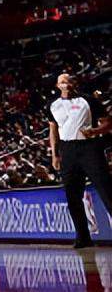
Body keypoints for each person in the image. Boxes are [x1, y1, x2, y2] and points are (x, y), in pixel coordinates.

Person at [48, 72, 112, 249]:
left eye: (69, 81)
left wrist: (95, 131)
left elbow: (108, 123)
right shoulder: (53, 105)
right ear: (57, 86)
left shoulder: (89, 101)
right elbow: (53, 131)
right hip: (67, 150)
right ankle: (82, 236)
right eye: (62, 82)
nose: (66, 84)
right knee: (72, 195)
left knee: (106, 189)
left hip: (89, 147)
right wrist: (55, 155)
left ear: (74, 84)